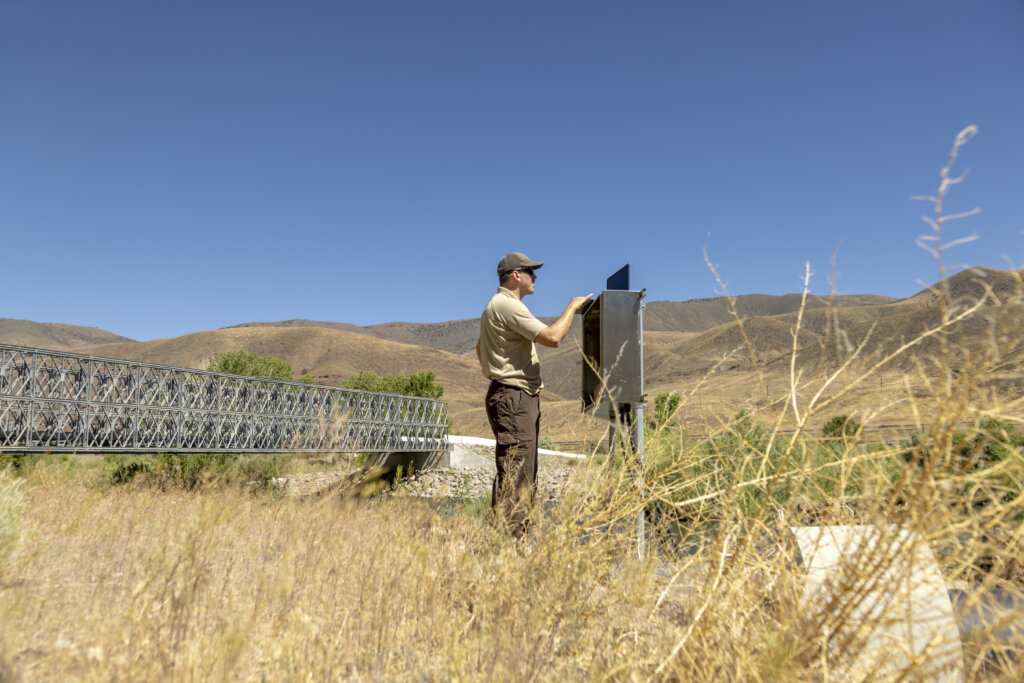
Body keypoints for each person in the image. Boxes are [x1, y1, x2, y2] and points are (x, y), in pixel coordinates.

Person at [476, 252, 592, 537]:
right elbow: (552, 338)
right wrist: (572, 306)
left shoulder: (495, 306)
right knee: (518, 475)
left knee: (515, 471)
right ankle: (511, 546)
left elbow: (479, 348)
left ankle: (506, 540)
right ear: (516, 275)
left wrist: (498, 369)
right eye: (530, 271)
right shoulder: (508, 305)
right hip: (514, 397)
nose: (535, 276)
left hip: (508, 395)